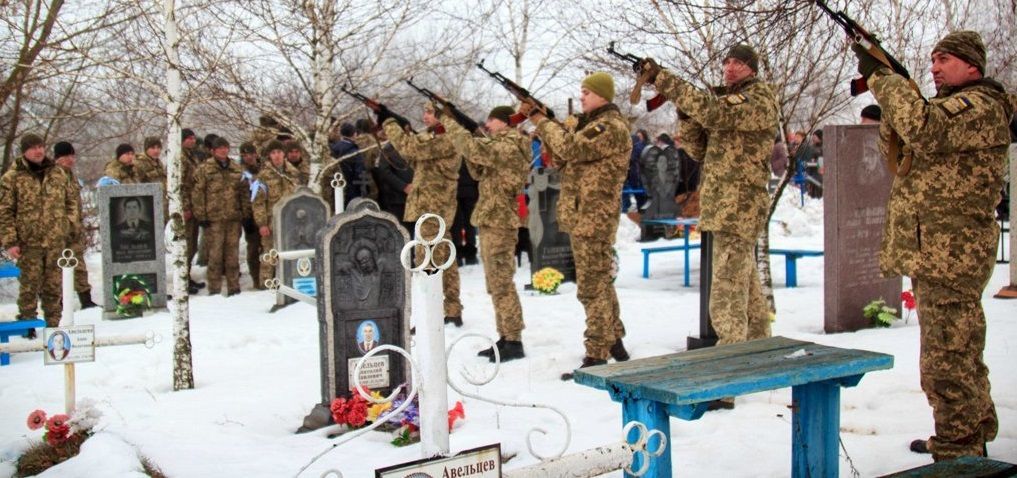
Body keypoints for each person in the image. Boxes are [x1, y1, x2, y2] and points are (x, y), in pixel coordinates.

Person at [854, 30, 1010, 461]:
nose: (934, 67)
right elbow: (906, 135)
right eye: (932, 59)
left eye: (943, 60)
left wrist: (884, 79)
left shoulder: (979, 106)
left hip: (951, 253)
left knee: (947, 360)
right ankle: (966, 436)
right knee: (957, 350)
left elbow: (922, 128)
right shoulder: (954, 107)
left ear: (971, 66)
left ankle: (959, 452)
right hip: (938, 250)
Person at [640, 45, 779, 406]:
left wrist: (665, 80)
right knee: (745, 284)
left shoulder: (758, 98)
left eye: (738, 62)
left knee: (725, 291)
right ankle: (763, 357)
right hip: (725, 205)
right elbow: (701, 149)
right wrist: (686, 114)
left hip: (740, 206)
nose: (729, 67)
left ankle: (727, 383)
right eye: (727, 61)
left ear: (751, 68)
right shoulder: (728, 105)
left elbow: (714, 112)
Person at [522, 72, 631, 378]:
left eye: (586, 92)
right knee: (599, 282)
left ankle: (596, 355)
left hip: (593, 218)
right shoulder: (591, 125)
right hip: (586, 215)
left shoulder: (608, 126)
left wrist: (541, 120)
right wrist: (552, 128)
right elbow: (563, 159)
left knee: (591, 287)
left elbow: (571, 149)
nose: (581, 96)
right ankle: (614, 339)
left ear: (602, 95)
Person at [445, 105, 531, 361]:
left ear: (504, 122)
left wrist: (450, 123)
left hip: (501, 221)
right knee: (495, 283)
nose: (488, 124)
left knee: (502, 282)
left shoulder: (510, 145)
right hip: (492, 218)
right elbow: (478, 169)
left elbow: (473, 149)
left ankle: (514, 339)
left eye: (492, 120)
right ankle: (504, 336)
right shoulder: (498, 144)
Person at [379, 102, 464, 326]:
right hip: (433, 208)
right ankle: (451, 309)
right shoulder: (434, 138)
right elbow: (413, 159)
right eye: (424, 111)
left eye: (430, 113)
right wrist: (405, 131)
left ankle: (430, 316)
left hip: (434, 209)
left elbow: (409, 149)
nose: (425, 116)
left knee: (427, 262)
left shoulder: (445, 139)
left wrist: (388, 122)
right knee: (445, 259)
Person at [0, 134, 80, 331]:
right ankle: (28, 327)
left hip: (56, 240)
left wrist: (68, 225)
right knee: (29, 286)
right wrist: (10, 241)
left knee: (54, 286)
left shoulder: (57, 173)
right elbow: (4, 211)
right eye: (33, 148)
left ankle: (54, 328)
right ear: (24, 151)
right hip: (29, 242)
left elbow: (71, 201)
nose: (38, 151)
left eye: (40, 147)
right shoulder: (13, 177)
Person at [192, 137, 250, 296]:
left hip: (233, 218)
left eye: (225, 147)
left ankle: (234, 287)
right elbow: (198, 194)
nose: (223, 151)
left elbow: (244, 193)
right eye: (219, 148)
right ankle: (215, 289)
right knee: (215, 255)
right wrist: (201, 215)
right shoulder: (204, 169)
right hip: (214, 219)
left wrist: (245, 214)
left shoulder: (237, 169)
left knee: (233, 255)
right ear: (213, 151)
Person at [52, 141, 98, 309]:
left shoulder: (70, 176)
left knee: (79, 265)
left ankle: (86, 299)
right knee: (58, 268)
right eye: (66, 156)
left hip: (74, 230)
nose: (70, 160)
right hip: (58, 230)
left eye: (72, 156)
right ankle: (58, 302)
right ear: (58, 158)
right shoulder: (53, 176)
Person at [252, 141, 300, 285]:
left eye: (279, 152)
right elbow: (258, 202)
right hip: (271, 221)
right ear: (269, 156)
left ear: (284, 154)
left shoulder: (293, 173)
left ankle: (289, 282)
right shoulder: (263, 176)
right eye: (273, 153)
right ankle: (265, 284)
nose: (277, 156)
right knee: (269, 253)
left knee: (290, 251)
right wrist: (261, 224)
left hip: (291, 222)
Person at [373, 129, 415, 233]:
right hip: (397, 198)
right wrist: (403, 186)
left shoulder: (413, 147)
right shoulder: (388, 150)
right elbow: (384, 172)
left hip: (415, 197)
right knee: (402, 230)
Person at [180, 129, 205, 292]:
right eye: (188, 138)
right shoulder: (180, 158)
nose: (192, 140)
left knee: (192, 245)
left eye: (193, 138)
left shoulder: (192, 155)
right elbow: (180, 185)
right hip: (187, 207)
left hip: (195, 205)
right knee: (186, 246)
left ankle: (186, 277)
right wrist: (185, 207)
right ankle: (182, 281)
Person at [321, 122, 366, 213]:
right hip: (352, 189)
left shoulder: (333, 148)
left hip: (333, 187)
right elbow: (359, 173)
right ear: (354, 134)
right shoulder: (354, 151)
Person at [239, 141, 263, 287]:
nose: (248, 157)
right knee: (253, 249)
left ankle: (268, 277)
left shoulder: (264, 169)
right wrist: (246, 216)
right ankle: (256, 279)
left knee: (268, 247)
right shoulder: (239, 172)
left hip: (265, 213)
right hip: (249, 215)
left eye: (251, 154)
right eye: (245, 155)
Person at [452, 161, 479, 265]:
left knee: (457, 225)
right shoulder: (469, 149)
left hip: (457, 190)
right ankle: (470, 255)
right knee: (468, 224)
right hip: (469, 191)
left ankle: (459, 255)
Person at [623, 129, 649, 215]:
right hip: (636, 177)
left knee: (641, 199)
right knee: (639, 199)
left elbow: (632, 159)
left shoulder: (640, 147)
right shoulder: (637, 147)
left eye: (639, 136)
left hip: (640, 178)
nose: (638, 138)